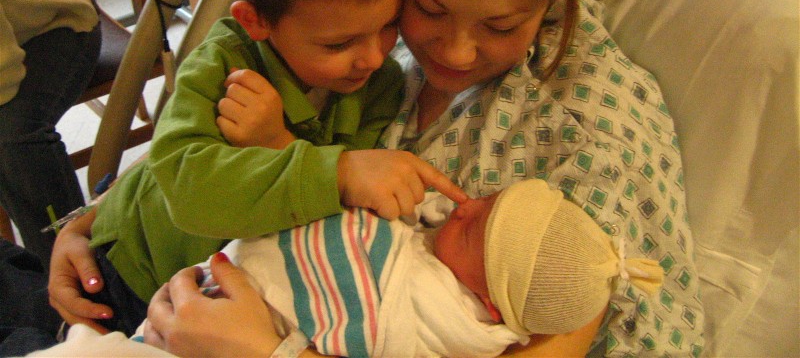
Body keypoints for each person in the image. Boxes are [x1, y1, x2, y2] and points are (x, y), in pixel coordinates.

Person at [55, 0, 707, 357]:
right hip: (147, 276)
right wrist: (94, 225)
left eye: (501, 26)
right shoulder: (369, 29)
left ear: (553, 0)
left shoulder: (590, 131)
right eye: (426, 8)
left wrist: (271, 353)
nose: (453, 52)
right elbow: (214, 156)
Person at [45, 0, 466, 337]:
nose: (372, 57)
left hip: (214, 288)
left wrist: (278, 143)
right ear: (256, 21)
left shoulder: (382, 84)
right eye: (338, 44)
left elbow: (340, 211)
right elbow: (186, 187)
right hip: (130, 269)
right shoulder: (224, 64)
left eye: (388, 25)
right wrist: (338, 171)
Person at [137, 179, 662, 358]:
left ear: (490, 303)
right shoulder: (445, 241)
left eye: (474, 231)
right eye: (486, 199)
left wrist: (271, 350)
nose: (464, 207)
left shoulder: (447, 318)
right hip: (194, 300)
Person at [0, 0, 101, 269]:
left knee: (13, 136)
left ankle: (69, 263)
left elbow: (4, 74)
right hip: (13, 15)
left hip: (59, 15)